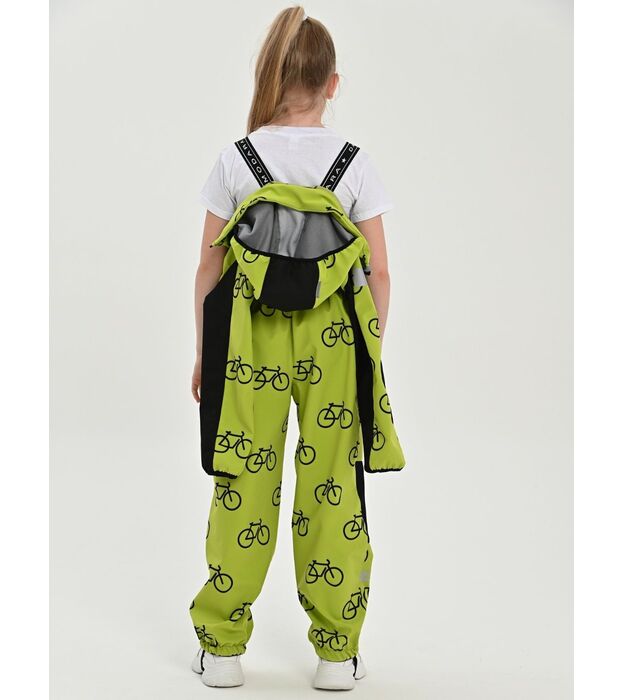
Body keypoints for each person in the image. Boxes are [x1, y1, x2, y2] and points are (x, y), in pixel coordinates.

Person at [189, 6, 404, 691]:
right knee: (333, 483)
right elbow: (379, 271)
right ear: (332, 84)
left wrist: (205, 352)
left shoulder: (238, 159)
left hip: (249, 337)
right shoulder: (353, 164)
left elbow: (209, 265)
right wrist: (371, 350)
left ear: (270, 77)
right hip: (334, 338)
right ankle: (337, 654)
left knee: (243, 480)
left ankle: (223, 649)